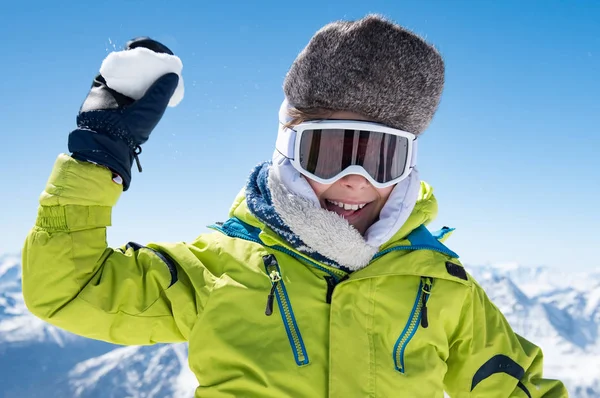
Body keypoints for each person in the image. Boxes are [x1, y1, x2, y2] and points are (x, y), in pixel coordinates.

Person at [22, 14, 567, 398]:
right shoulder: (219, 267)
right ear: (288, 150)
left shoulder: (443, 287)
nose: (355, 181)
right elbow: (65, 290)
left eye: (381, 158)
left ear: (409, 168)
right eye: (329, 152)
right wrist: (99, 160)